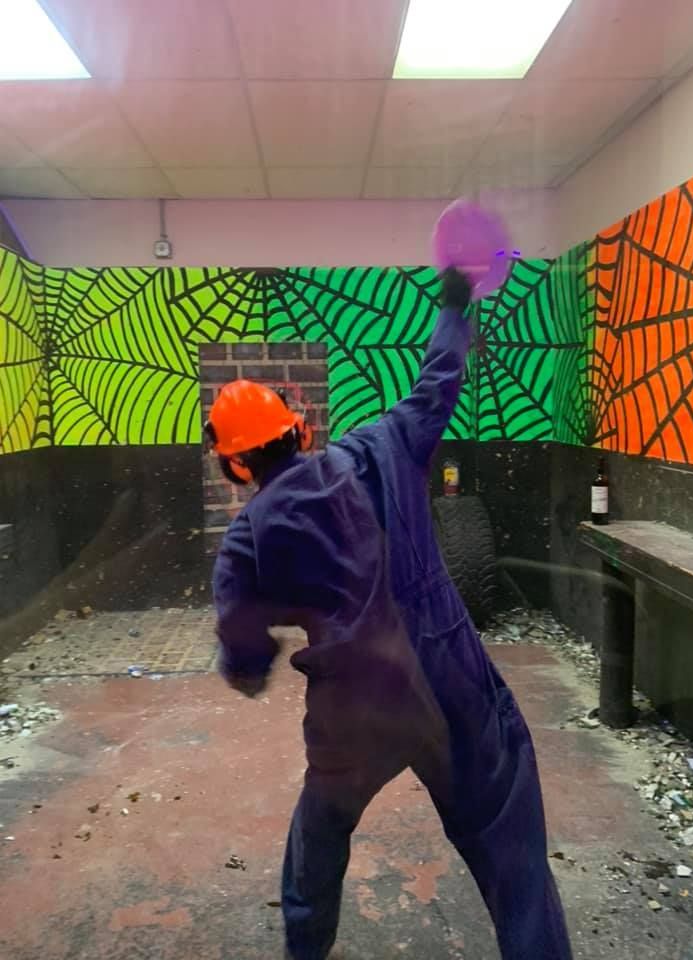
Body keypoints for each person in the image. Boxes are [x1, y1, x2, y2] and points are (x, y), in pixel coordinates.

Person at [205, 267, 573, 960]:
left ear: (235, 466)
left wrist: (261, 648)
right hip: (452, 681)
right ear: (302, 428)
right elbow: (438, 379)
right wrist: (455, 304)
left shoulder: (247, 536)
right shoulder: (385, 442)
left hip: (354, 711)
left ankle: (305, 951)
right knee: (512, 853)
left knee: (315, 850)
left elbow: (246, 661)